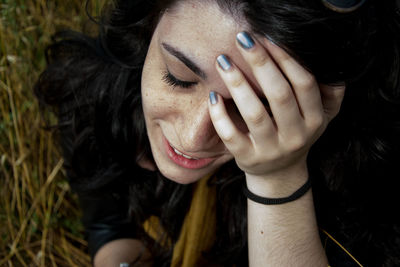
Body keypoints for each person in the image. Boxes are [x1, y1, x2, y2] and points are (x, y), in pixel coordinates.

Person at [34, 0, 400, 266]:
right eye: (178, 76)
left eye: (250, 108)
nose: (193, 139)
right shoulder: (99, 95)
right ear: (149, 19)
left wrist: (278, 178)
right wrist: (115, 253)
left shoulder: (364, 180)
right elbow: (106, 220)